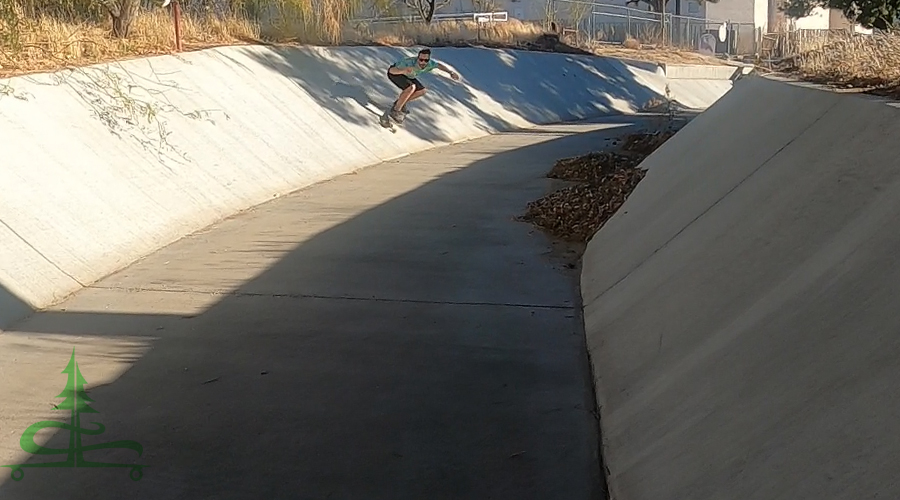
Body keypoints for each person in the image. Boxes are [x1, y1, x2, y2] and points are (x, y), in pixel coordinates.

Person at [384, 48, 459, 123]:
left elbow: (439, 65)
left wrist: (451, 72)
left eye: (426, 60)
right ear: (418, 58)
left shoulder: (430, 64)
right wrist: (403, 70)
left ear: (428, 60)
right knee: (411, 87)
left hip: (409, 76)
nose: (423, 62)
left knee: (422, 91)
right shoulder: (408, 62)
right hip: (396, 74)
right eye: (421, 59)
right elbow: (391, 71)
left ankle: (399, 103)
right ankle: (395, 111)